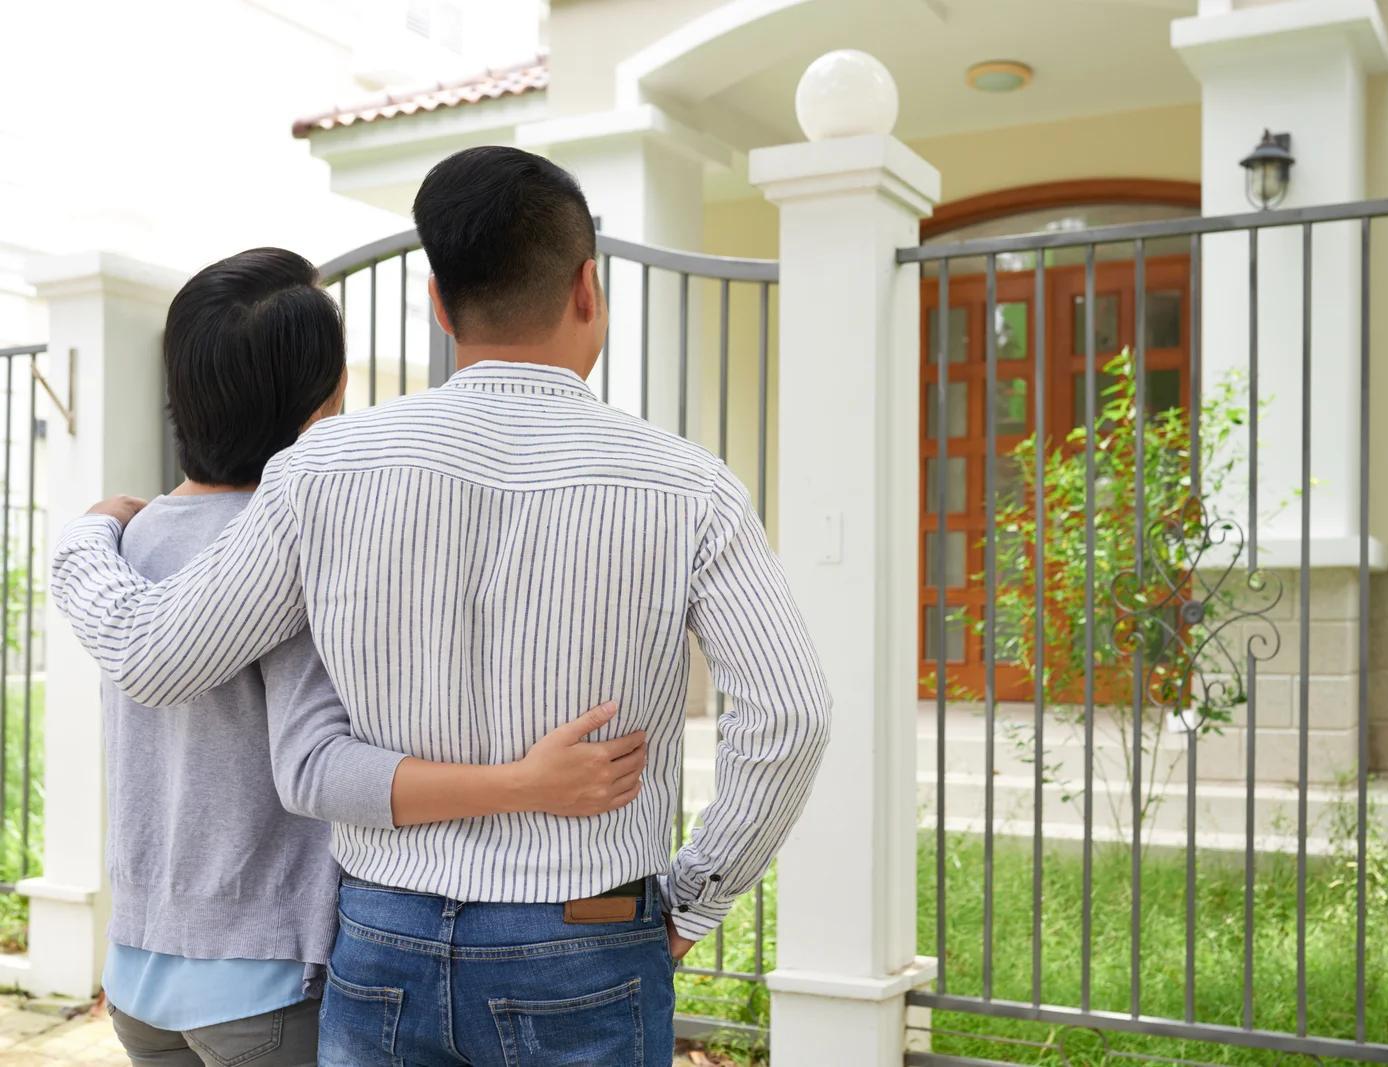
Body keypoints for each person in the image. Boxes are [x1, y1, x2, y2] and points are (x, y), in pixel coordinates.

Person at [52, 148, 832, 1067]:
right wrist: (692, 901)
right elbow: (791, 713)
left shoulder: (319, 475)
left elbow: (152, 656)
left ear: (435, 298)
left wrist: (83, 539)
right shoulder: (688, 485)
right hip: (589, 923)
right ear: (589, 287)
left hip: (383, 936)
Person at [95, 247, 646, 1066]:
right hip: (265, 982)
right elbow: (321, 767)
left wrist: (85, 528)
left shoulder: (126, 541)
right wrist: (523, 783)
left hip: (139, 975)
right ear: (321, 401)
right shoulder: (292, 545)